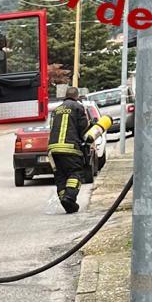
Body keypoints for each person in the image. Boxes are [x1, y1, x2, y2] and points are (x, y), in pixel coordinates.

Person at [48, 86, 95, 214]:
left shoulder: (56, 109)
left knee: (61, 176)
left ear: (66, 95)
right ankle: (69, 197)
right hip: (70, 148)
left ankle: (66, 203)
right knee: (75, 174)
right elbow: (82, 128)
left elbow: (52, 128)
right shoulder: (78, 107)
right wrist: (91, 130)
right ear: (77, 96)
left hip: (53, 149)